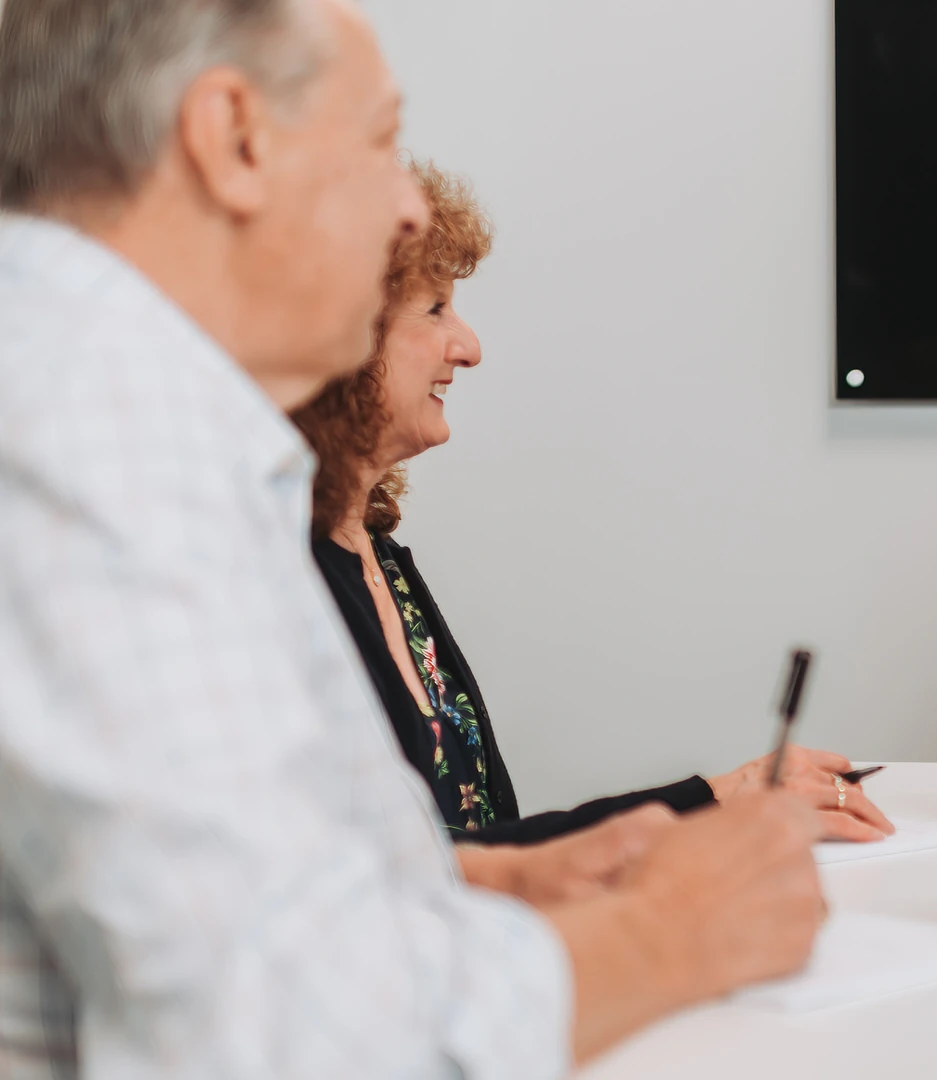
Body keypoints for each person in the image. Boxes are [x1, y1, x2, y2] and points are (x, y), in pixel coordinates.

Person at [0, 1, 824, 1075]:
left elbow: (278, 881)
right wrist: (667, 934)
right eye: (382, 140)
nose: (405, 209)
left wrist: (494, 883)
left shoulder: (142, 419)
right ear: (233, 138)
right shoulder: (90, 437)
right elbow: (276, 1041)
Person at [288, 160, 894, 853]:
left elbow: (489, 845)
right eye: (435, 309)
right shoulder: (284, 581)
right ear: (339, 334)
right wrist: (712, 804)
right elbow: (420, 871)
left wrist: (727, 794)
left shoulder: (381, 562)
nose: (471, 346)